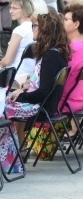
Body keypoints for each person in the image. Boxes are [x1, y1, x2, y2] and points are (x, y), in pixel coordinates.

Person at [1, 11, 70, 166]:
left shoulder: (51, 57)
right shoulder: (55, 53)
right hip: (42, 105)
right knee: (5, 104)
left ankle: (11, 158)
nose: (33, 28)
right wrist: (21, 91)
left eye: (35, 26)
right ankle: (16, 152)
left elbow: (43, 92)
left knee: (2, 109)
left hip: (39, 107)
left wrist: (20, 96)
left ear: (45, 30)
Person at [60, 3, 83, 119]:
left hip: (65, 103)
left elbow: (60, 80)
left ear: (76, 24)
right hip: (78, 99)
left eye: (65, 19)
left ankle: (19, 138)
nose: (62, 22)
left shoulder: (73, 48)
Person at [0, 0, 36, 83]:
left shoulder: (19, 30)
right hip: (31, 74)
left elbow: (7, 61)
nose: (10, 11)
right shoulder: (35, 27)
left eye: (14, 8)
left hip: (16, 74)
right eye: (10, 8)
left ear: (25, 9)